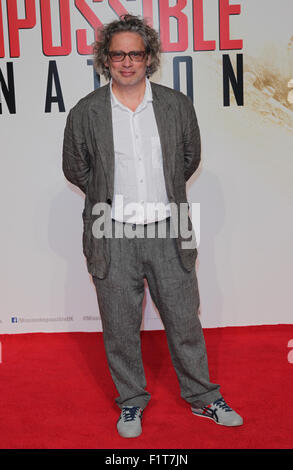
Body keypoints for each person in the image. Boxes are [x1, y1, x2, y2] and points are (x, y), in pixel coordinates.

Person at [62, 14, 243, 438]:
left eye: (136, 53)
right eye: (118, 54)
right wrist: (109, 193)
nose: (127, 62)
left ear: (149, 58)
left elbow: (188, 158)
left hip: (170, 223)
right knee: (120, 325)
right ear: (106, 59)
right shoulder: (86, 112)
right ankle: (130, 402)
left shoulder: (176, 105)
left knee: (184, 320)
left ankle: (203, 398)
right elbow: (75, 168)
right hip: (111, 227)